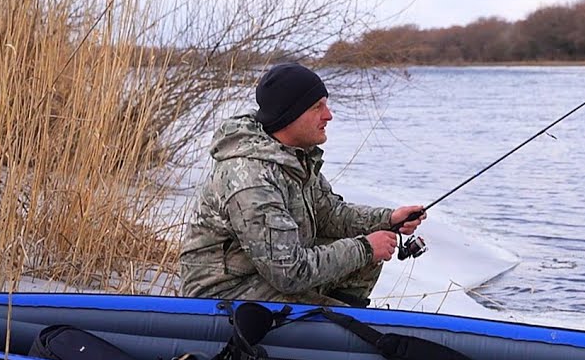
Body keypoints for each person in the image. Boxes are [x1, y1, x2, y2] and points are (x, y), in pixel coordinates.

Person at [179, 62, 425, 307]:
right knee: (358, 270)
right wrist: (365, 247)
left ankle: (328, 328)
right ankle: (333, 329)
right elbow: (289, 271)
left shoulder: (293, 156)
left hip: (264, 272)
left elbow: (330, 214)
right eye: (317, 107)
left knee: (366, 259)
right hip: (223, 291)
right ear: (290, 114)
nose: (328, 115)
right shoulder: (251, 179)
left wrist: (389, 219)